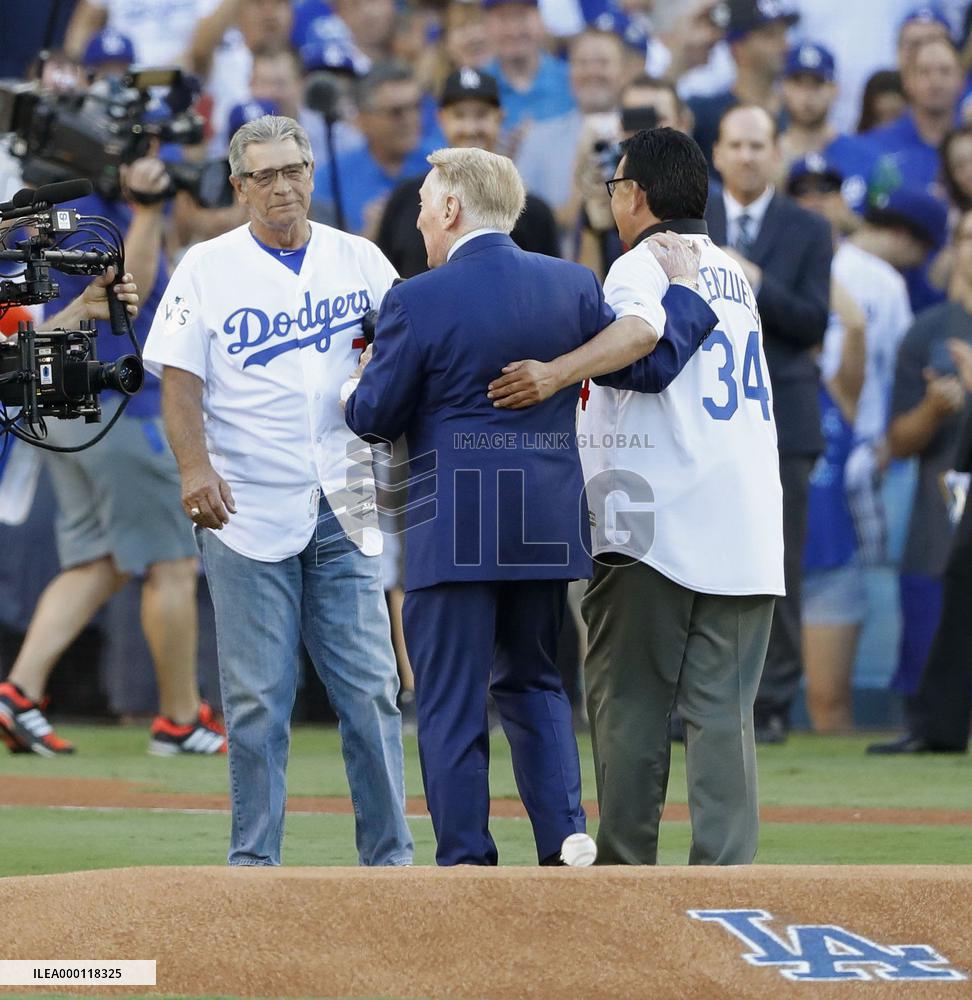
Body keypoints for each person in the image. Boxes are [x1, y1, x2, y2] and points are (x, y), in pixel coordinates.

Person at [345, 145, 713, 866]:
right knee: (537, 681)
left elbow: (373, 418)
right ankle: (562, 839)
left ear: (452, 209)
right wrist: (688, 295)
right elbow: (650, 365)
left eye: (424, 203)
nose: (419, 218)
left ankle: (467, 861)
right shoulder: (571, 285)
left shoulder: (416, 298)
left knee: (449, 702)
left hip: (453, 523)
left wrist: (357, 383)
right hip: (544, 523)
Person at [490, 126, 782, 866]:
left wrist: (556, 373)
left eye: (616, 184)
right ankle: (725, 885)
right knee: (723, 716)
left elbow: (642, 349)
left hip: (652, 514)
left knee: (630, 710)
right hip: (746, 520)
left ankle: (626, 884)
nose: (612, 195)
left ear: (638, 196)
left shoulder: (639, 265)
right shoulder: (732, 272)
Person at [143, 114, 413, 867]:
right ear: (238, 187)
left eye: (293, 168)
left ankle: (391, 863)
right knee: (259, 699)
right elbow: (179, 381)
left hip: (349, 485)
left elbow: (408, 351)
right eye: (263, 175)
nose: (282, 185)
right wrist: (194, 468)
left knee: (371, 688)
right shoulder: (207, 265)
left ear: (310, 174)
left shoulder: (361, 259)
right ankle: (255, 866)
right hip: (247, 498)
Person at [0, 156, 227, 759]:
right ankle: (180, 718)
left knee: (101, 558)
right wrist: (148, 209)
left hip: (56, 400)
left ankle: (19, 691)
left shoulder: (54, 205)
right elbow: (138, 285)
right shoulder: (94, 209)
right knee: (173, 564)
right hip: (113, 402)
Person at [706, 104, 832, 744]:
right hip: (708, 418)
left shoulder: (809, 229)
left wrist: (753, 279)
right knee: (705, 556)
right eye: (737, 144)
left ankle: (773, 702)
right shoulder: (696, 221)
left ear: (776, 151)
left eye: (759, 144)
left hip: (786, 416)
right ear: (719, 153)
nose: (748, 155)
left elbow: (814, 322)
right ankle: (703, 697)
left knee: (779, 562)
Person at [871, 209, 972, 744]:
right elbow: (900, 442)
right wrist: (935, 407)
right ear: (955, 249)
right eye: (970, 238)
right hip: (942, 521)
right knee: (932, 658)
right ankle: (932, 727)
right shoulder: (930, 331)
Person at [376, 67, 558, 278]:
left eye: (481, 115)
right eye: (459, 115)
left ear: (499, 118)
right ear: (441, 119)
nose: (470, 128)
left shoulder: (532, 210)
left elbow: (549, 289)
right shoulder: (405, 199)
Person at [313, 61, 434, 236]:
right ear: (363, 119)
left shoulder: (441, 166)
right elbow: (326, 255)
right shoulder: (331, 179)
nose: (411, 119)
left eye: (416, 107)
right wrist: (371, 237)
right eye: (396, 112)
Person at [687, 0, 798, 167]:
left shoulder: (800, 110)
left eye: (783, 34)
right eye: (770, 35)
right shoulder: (704, 112)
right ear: (737, 47)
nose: (785, 45)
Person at [778, 43, 882, 216]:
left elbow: (890, 231)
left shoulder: (868, 155)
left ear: (835, 90)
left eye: (817, 84)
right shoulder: (765, 156)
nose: (807, 95)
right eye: (798, 83)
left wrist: (848, 222)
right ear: (783, 88)